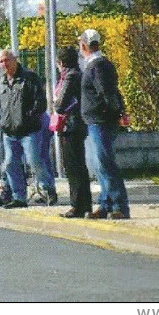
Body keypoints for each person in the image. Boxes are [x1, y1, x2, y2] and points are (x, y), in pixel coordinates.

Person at [79, 28, 131, 220]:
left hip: (101, 121)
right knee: (99, 165)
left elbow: (107, 93)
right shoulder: (95, 65)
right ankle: (105, 203)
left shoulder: (97, 66)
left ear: (83, 45)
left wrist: (112, 114)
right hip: (95, 121)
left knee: (105, 163)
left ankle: (118, 205)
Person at [0, 48, 57, 208]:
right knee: (9, 163)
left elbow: (40, 102)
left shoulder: (29, 78)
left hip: (29, 130)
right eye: (1, 61)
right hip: (9, 132)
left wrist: (29, 117)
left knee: (34, 161)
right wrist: (3, 121)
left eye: (6, 60)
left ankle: (47, 190)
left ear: (14, 59)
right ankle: (19, 197)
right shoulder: (1, 81)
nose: (4, 64)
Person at [54, 45, 91, 218]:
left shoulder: (70, 77)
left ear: (61, 62)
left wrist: (55, 103)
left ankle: (77, 205)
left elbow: (60, 104)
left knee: (73, 167)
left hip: (71, 125)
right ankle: (85, 204)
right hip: (77, 124)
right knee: (79, 166)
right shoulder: (78, 74)